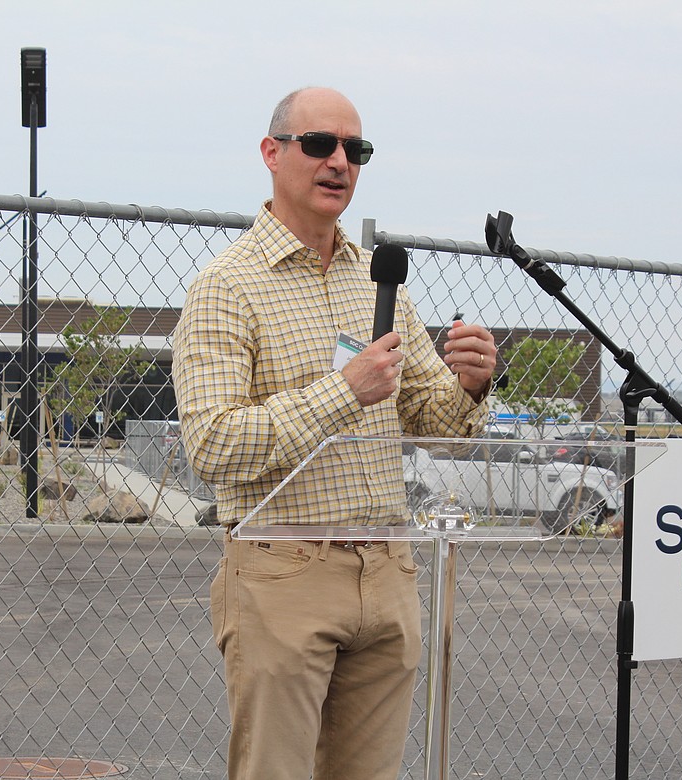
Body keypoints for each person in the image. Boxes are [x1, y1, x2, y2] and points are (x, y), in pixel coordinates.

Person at [172, 86, 496, 780]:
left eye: (357, 149)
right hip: (283, 573)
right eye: (320, 144)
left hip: (387, 571)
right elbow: (213, 446)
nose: (340, 162)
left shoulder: (378, 282)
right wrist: (341, 394)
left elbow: (436, 422)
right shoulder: (226, 287)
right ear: (272, 153)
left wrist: (469, 386)